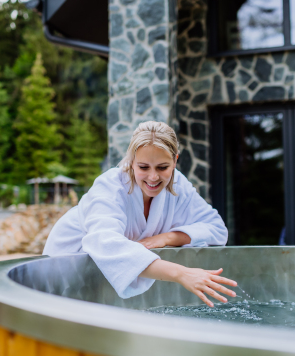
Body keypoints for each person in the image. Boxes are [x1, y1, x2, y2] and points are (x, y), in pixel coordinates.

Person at [43, 121, 237, 307]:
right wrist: (181, 274)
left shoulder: (178, 186)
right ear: (131, 162)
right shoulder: (110, 186)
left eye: (163, 167)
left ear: (175, 160)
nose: (153, 177)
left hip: (104, 282)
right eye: (144, 167)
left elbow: (216, 228)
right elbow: (106, 244)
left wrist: (167, 237)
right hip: (65, 267)